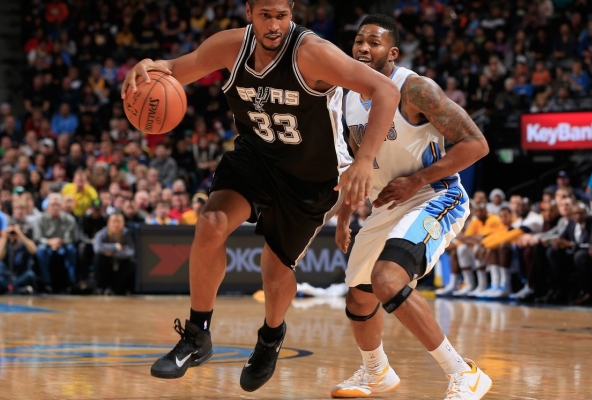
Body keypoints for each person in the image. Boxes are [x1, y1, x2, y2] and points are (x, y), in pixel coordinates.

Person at [121, 0, 399, 389]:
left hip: (312, 174)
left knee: (273, 268)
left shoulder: (312, 53)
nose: (274, 25)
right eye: (265, 15)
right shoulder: (229, 46)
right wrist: (150, 66)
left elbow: (385, 89)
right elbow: (175, 69)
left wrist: (364, 159)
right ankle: (197, 335)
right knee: (211, 222)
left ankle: (270, 336)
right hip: (257, 156)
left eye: (281, 16)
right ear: (250, 12)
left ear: (291, 13)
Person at [330, 15, 490, 399]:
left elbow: (476, 144)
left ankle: (464, 372)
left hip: (434, 195)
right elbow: (359, 165)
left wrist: (416, 180)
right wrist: (345, 215)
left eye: (374, 42)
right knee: (359, 296)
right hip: (386, 204)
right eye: (359, 41)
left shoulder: (416, 89)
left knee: (388, 280)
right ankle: (376, 373)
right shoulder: (347, 97)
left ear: (393, 53)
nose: (363, 48)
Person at [93, 213, 135, 295]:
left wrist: (114, 254)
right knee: (98, 258)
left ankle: (116, 288)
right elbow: (97, 248)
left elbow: (131, 251)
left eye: (119, 222)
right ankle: (101, 287)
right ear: (108, 223)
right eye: (114, 221)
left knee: (131, 262)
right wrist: (116, 247)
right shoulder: (101, 234)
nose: (116, 224)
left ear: (123, 224)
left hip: (120, 260)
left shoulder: (127, 234)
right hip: (106, 261)